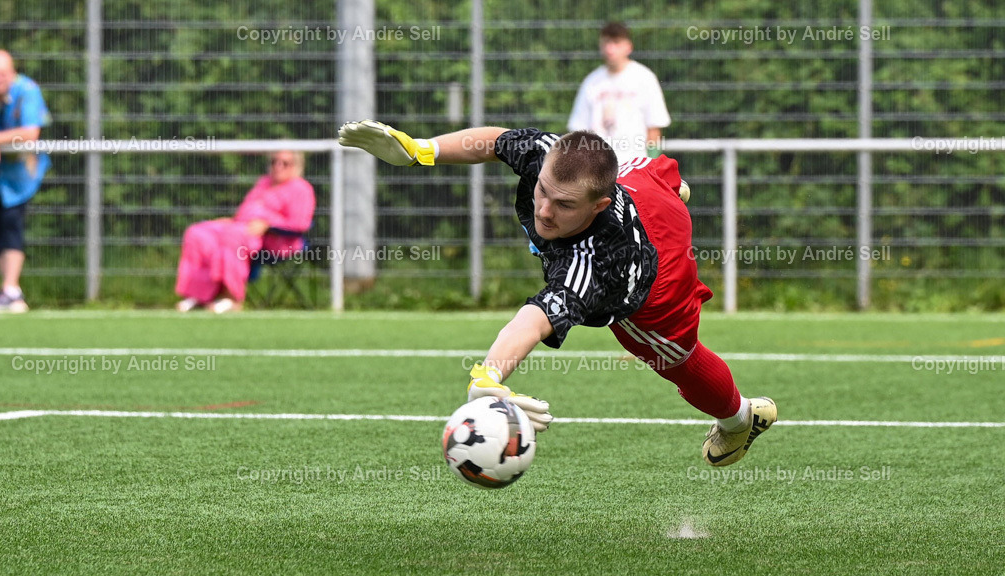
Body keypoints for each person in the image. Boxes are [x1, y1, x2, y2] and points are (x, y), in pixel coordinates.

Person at [338, 120, 776, 467]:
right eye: (543, 191)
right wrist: (421, 150)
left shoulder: (594, 262)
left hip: (655, 279)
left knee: (675, 358)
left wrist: (487, 377)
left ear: (597, 207)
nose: (544, 210)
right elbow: (495, 141)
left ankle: (741, 420)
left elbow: (535, 316)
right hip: (642, 189)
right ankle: (669, 188)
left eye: (564, 205)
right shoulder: (547, 155)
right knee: (639, 166)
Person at [175, 150, 315, 313]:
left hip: (274, 240)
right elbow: (246, 209)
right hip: (241, 225)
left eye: (285, 163)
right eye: (274, 162)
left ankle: (231, 297)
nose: (278, 166)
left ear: (296, 166)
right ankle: (199, 294)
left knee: (233, 236)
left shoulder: (301, 189)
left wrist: (267, 226)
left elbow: (300, 224)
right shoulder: (264, 182)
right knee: (198, 233)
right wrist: (232, 220)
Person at [0, 50, 51, 313]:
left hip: (20, 175)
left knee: (11, 222)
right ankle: (8, 292)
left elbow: (30, 133)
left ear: (12, 73)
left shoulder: (27, 90)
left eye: (1, 75)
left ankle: (11, 289)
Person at [567, 22, 671, 164]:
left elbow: (654, 128)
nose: (610, 49)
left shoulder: (644, 78)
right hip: (597, 170)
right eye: (606, 43)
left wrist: (652, 167)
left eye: (616, 43)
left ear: (629, 46)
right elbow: (578, 131)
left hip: (633, 167)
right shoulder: (591, 82)